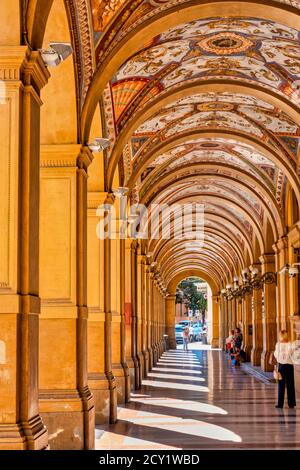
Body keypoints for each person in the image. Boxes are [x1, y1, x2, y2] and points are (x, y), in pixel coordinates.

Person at [274, 330, 296, 409]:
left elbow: (276, 355)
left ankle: (280, 404)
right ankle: (291, 403)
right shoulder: (291, 344)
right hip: (288, 365)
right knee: (290, 384)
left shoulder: (278, 344)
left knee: (281, 385)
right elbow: (291, 353)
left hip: (282, 366)